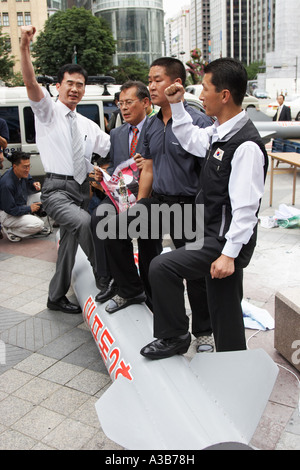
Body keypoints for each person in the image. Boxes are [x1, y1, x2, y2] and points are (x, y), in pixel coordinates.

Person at [140, 57, 269, 360]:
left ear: (224, 95)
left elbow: (246, 210)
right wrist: (178, 104)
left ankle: (174, 336)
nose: (201, 96)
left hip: (223, 241)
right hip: (213, 234)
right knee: (224, 308)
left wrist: (228, 254)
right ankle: (234, 362)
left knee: (162, 267)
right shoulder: (219, 131)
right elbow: (191, 140)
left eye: (205, 89)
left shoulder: (246, 146)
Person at [102, 57, 212, 342]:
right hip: (158, 201)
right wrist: (140, 203)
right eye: (149, 80)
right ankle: (131, 290)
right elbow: (147, 168)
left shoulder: (197, 122)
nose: (151, 86)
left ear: (176, 83)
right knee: (113, 229)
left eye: (157, 80)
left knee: (195, 273)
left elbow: (206, 175)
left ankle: (203, 332)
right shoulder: (151, 125)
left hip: (188, 206)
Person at [20, 25, 110, 314]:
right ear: (58, 86)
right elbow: (31, 82)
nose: (75, 88)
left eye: (80, 84)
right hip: (57, 190)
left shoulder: (87, 124)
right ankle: (107, 278)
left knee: (69, 246)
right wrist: (24, 46)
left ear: (85, 89)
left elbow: (110, 148)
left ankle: (55, 297)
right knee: (84, 223)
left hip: (83, 190)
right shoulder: (47, 112)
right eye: (69, 83)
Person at [91, 80, 151, 303]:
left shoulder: (156, 128)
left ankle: (147, 288)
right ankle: (111, 279)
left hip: (147, 196)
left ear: (145, 103)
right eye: (120, 103)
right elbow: (115, 167)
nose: (123, 108)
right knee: (99, 217)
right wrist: (103, 176)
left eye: (129, 102)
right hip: (120, 196)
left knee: (144, 233)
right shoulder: (116, 133)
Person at [0, 151, 45, 242]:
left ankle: (29, 224)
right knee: (38, 224)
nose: (27, 169)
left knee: (44, 197)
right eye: (25, 167)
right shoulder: (6, 184)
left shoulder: (22, 172)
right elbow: (11, 209)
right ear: (15, 166)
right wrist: (29, 209)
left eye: (29, 166)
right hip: (7, 214)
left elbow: (29, 182)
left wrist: (34, 184)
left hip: (20, 202)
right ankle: (11, 231)